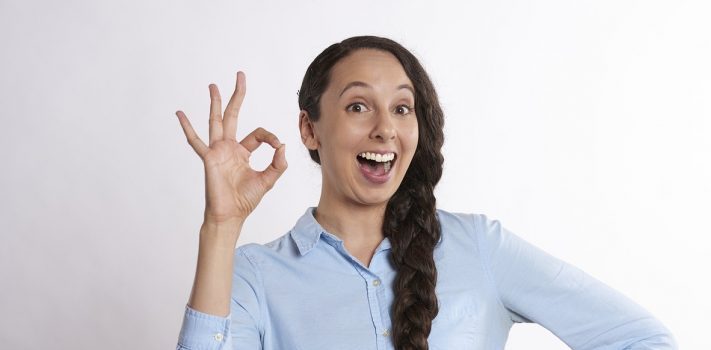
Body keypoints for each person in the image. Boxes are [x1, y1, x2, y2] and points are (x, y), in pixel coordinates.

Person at [173, 36, 677, 350]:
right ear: (309, 130)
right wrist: (221, 226)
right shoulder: (254, 278)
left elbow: (642, 340)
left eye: (401, 108)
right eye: (357, 107)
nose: (385, 130)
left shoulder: (478, 247)